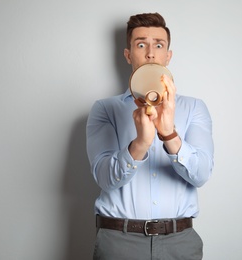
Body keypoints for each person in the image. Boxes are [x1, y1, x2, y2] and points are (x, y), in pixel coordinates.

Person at [86, 12, 214, 260]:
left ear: (168, 55)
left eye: (159, 45)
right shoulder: (104, 109)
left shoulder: (194, 108)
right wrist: (140, 144)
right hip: (118, 242)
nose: (150, 53)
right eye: (141, 44)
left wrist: (168, 134)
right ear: (128, 55)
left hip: (180, 243)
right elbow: (104, 178)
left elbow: (200, 175)